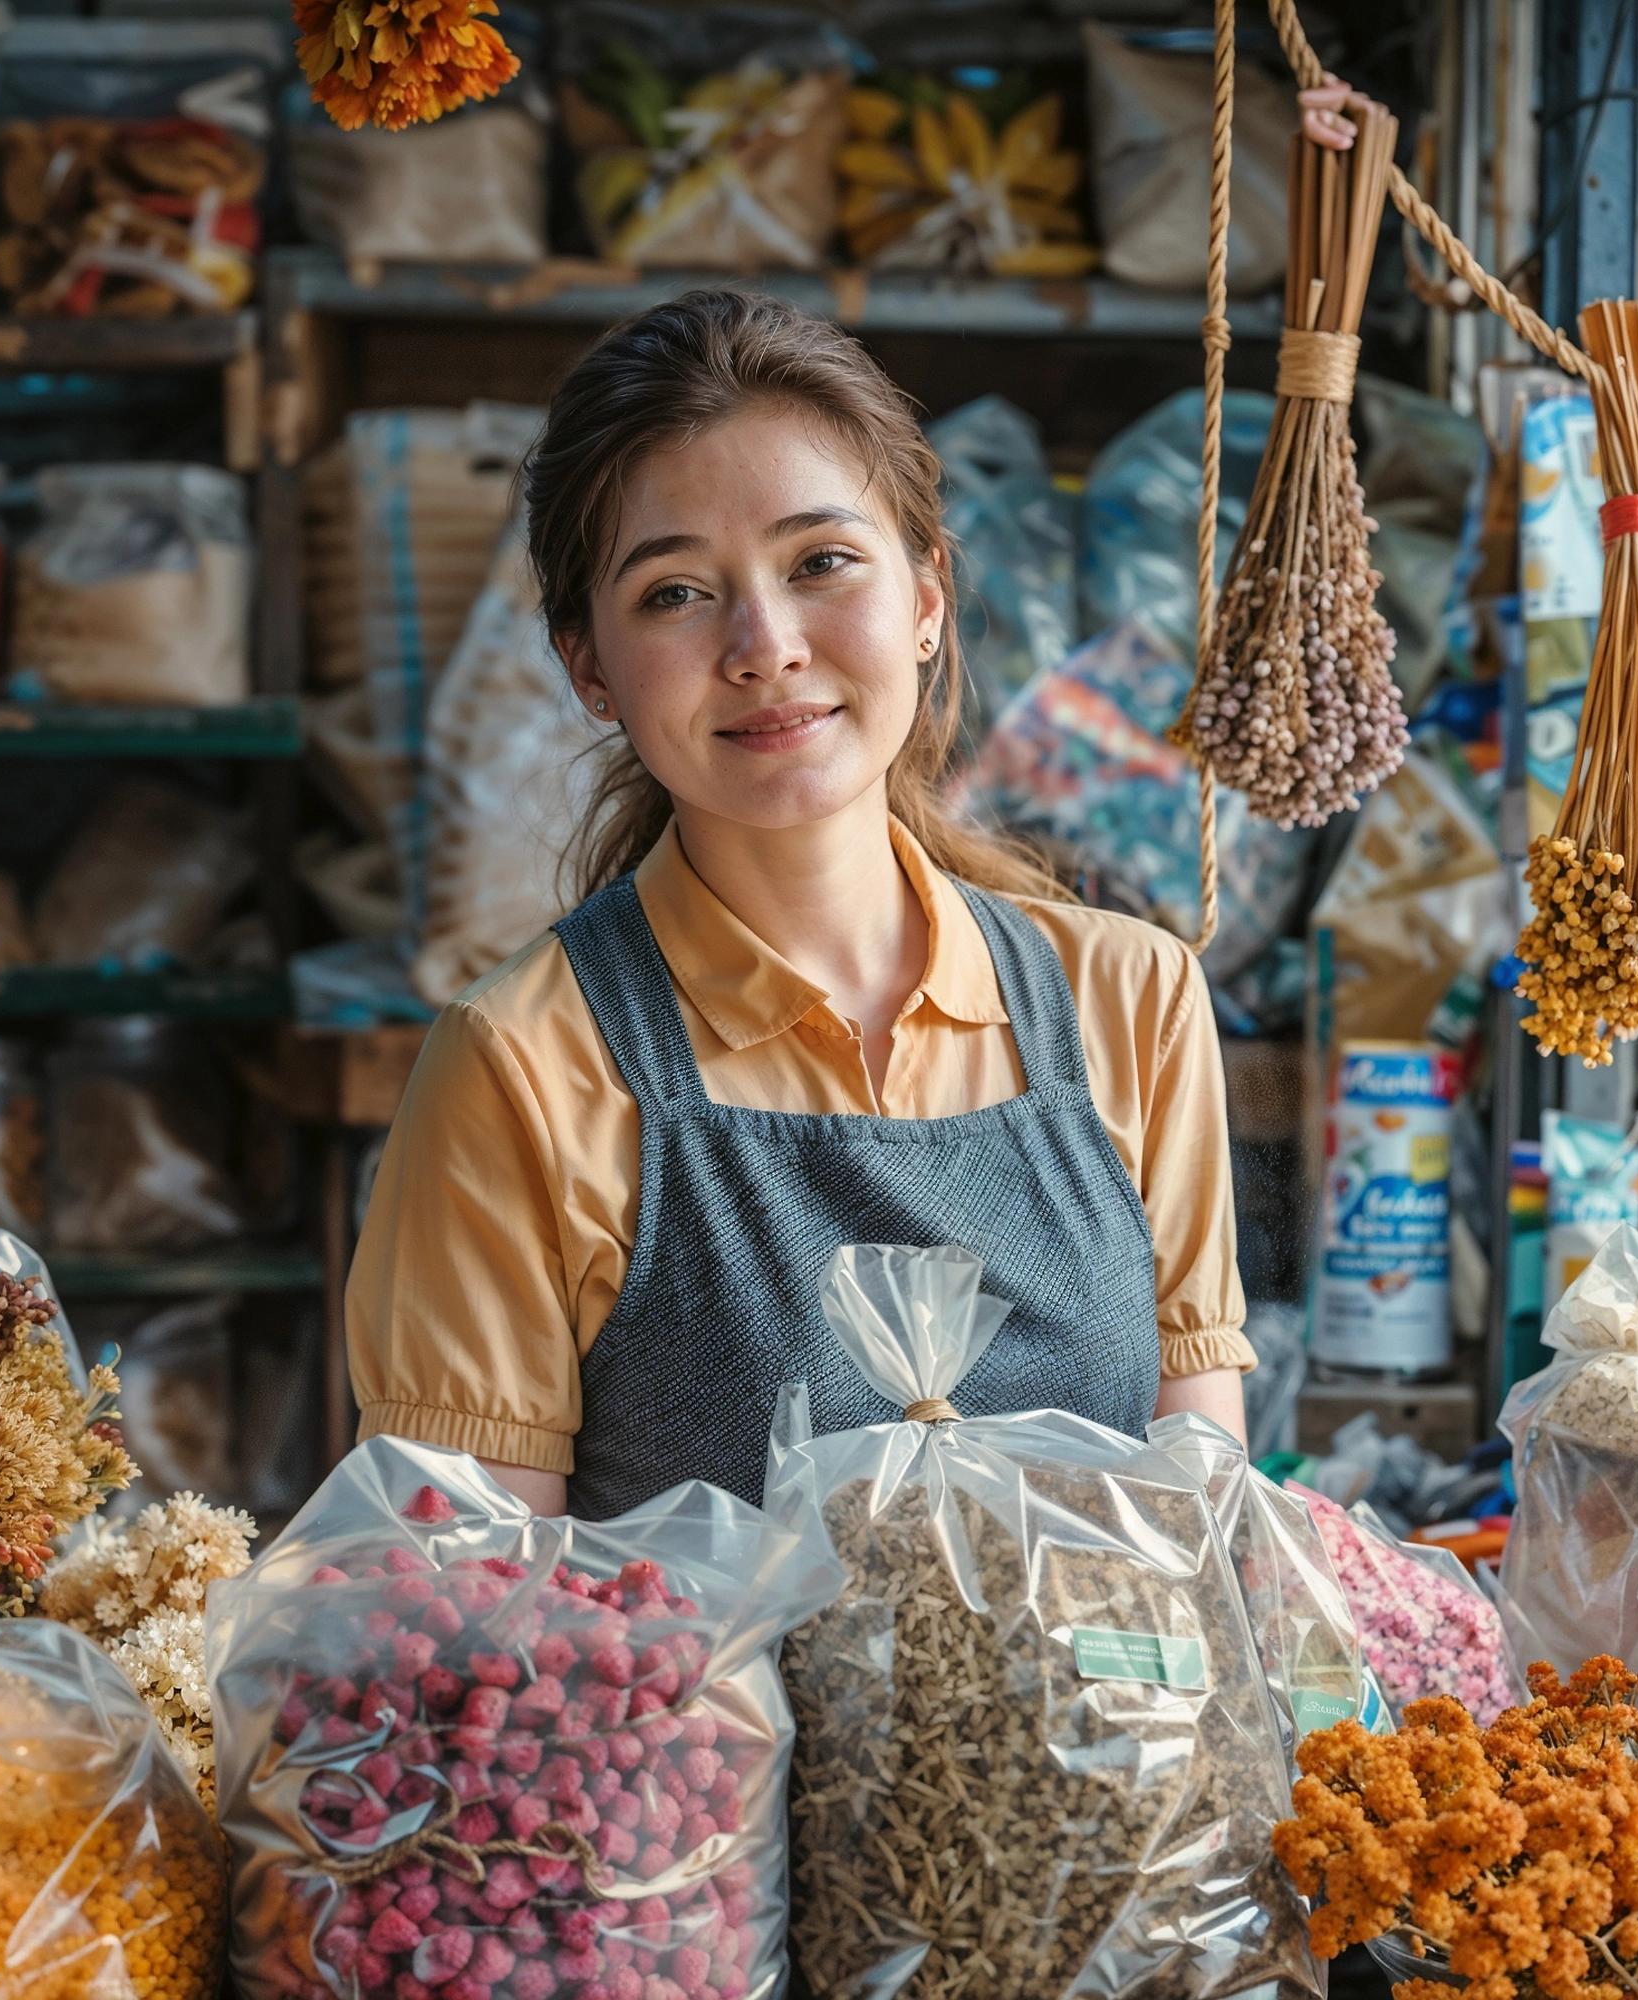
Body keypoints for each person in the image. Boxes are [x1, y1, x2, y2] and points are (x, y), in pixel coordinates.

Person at [346, 288, 1264, 1521]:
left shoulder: (1132, 1001)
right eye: (675, 592)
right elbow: (483, 1601)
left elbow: (1204, 1519)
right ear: (590, 667)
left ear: (927, 597)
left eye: (821, 561)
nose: (765, 644)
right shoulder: (523, 1067)